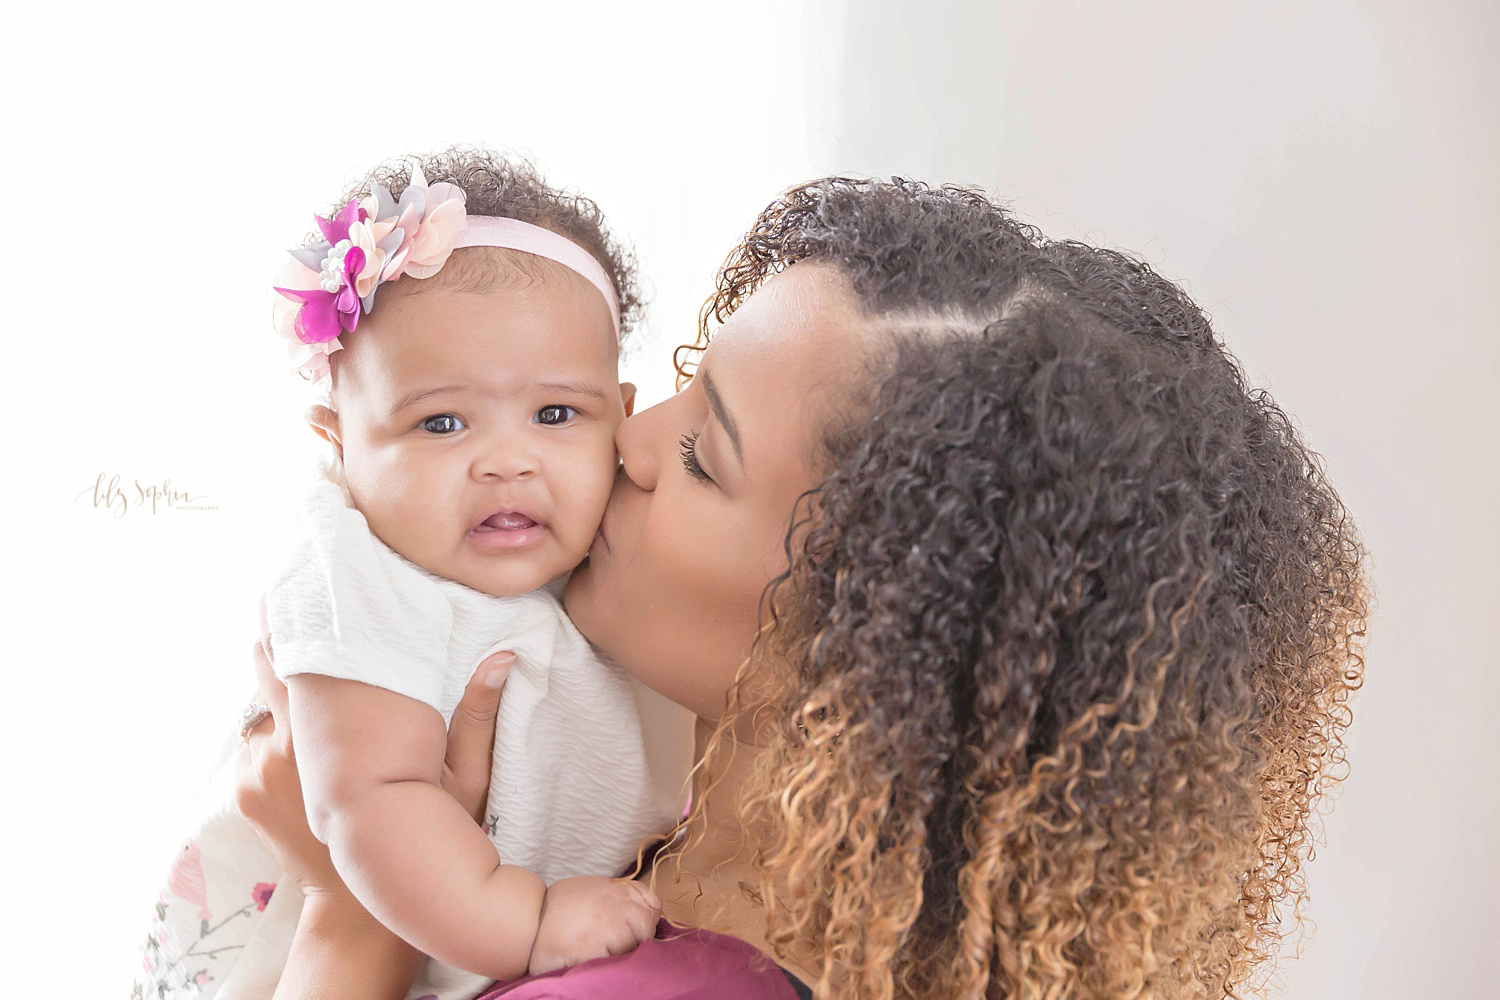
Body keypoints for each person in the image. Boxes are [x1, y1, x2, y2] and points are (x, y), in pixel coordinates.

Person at [237, 176, 1368, 999]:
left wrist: (347, 910)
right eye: (683, 382)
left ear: (869, 657)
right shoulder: (660, 823)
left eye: (701, 455)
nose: (628, 438)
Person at [136, 149, 693, 1000]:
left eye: (554, 414)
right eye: (440, 422)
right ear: (339, 443)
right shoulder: (357, 572)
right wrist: (529, 920)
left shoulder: (627, 542)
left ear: (622, 417)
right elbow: (369, 804)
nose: (507, 461)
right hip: (286, 954)